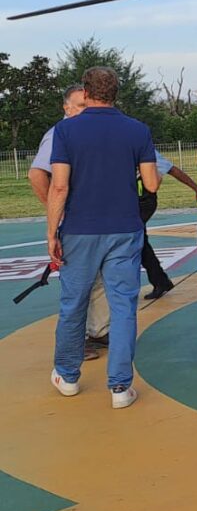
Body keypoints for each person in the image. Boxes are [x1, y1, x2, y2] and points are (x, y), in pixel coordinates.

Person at [46, 67, 159, 410]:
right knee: (123, 306)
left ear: (86, 90)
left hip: (81, 228)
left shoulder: (65, 131)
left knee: (73, 303)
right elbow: (152, 184)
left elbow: (60, 185)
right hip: (125, 228)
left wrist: (52, 232)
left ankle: (67, 375)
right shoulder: (137, 130)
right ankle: (120, 387)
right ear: (116, 92)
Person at [28, 84, 107, 361]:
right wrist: (55, 212)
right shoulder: (58, 134)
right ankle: (77, 343)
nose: (87, 112)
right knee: (78, 284)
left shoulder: (79, 133)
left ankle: (97, 330)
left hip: (88, 220)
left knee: (95, 279)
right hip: (74, 222)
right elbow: (37, 174)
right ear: (67, 107)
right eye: (82, 106)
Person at [138, 150, 197, 300]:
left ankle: (158, 282)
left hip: (143, 201)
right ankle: (161, 281)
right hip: (131, 202)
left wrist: (196, 188)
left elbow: (172, 169)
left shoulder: (143, 147)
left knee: (132, 239)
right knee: (140, 242)